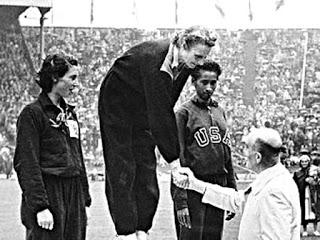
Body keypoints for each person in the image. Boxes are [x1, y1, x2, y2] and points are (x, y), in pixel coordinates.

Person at [98, 26, 217, 240]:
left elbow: (166, 103)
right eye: (198, 56)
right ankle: (125, 233)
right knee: (122, 165)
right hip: (116, 105)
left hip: (141, 105)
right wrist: (174, 163)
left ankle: (142, 229)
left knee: (146, 164)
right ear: (182, 45)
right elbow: (160, 112)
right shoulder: (155, 60)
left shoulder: (186, 62)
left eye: (204, 58)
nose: (200, 63)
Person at [14, 54, 91, 240]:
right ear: (55, 77)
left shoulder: (70, 114)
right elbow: (27, 163)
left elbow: (77, 158)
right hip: (49, 193)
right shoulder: (32, 114)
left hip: (73, 195)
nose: (76, 84)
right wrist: (40, 207)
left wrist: (84, 201)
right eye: (72, 78)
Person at [174, 127, 301, 240]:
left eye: (247, 147)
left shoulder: (273, 191)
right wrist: (193, 183)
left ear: (258, 157)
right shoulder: (271, 179)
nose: (244, 152)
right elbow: (236, 200)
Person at [171, 60, 236, 240]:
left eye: (213, 82)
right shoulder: (183, 113)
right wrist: (180, 201)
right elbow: (179, 160)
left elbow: (227, 154)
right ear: (193, 82)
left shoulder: (219, 111)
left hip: (218, 187)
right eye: (204, 82)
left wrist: (231, 190)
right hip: (194, 188)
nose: (209, 87)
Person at [293, 154, 320, 237]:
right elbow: (294, 184)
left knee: (314, 210)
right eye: (303, 161)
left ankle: (315, 229)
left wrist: (313, 181)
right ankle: (304, 229)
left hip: (313, 193)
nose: (304, 163)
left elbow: (318, 182)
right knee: (303, 211)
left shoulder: (314, 170)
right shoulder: (297, 173)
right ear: (300, 163)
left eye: (306, 161)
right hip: (302, 194)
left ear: (309, 162)